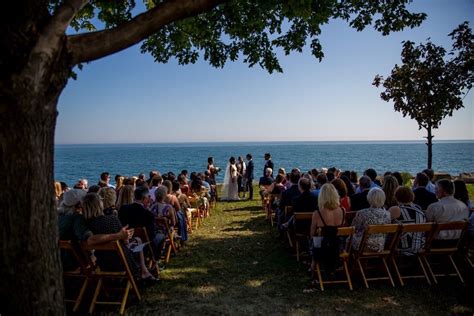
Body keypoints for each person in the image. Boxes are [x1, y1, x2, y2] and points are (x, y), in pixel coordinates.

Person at [83, 193, 157, 282]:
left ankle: (144, 271)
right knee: (138, 241)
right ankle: (144, 271)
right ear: (99, 205)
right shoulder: (111, 220)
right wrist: (126, 236)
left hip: (101, 262)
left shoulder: (85, 224)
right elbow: (125, 242)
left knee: (137, 240)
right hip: (121, 261)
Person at [118, 186, 165, 258]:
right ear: (144, 198)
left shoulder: (123, 209)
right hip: (144, 243)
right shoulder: (148, 214)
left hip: (128, 240)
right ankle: (156, 259)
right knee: (161, 236)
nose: (149, 199)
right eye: (148, 197)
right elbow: (152, 234)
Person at [310, 183, 346, 272]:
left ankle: (313, 264)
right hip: (338, 246)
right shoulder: (342, 210)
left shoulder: (317, 213)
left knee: (315, 239)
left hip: (322, 248)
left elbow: (312, 234)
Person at [388, 186, 426, 255]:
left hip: (401, 248)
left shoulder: (396, 210)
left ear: (396, 197)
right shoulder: (419, 210)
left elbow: (384, 225)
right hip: (418, 247)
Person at [352, 188, 391, 252]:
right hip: (380, 246)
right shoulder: (388, 214)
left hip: (363, 246)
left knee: (349, 236)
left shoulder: (362, 213)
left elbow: (353, 228)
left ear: (369, 198)